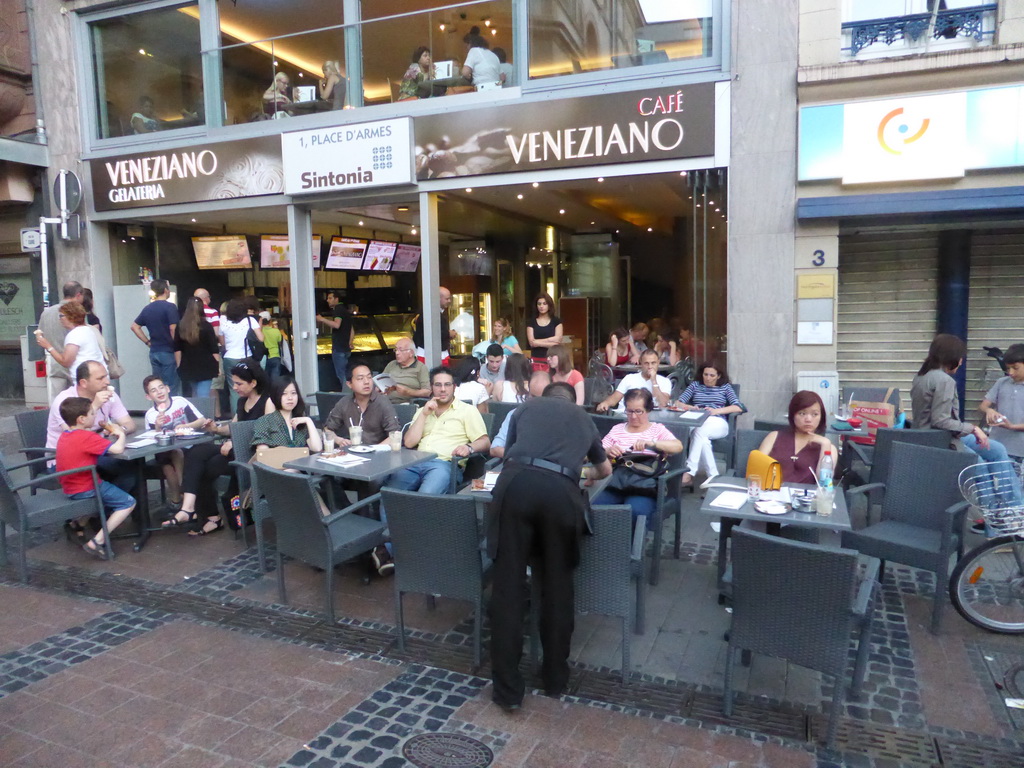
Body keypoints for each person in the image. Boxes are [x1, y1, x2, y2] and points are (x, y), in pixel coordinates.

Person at [488, 381, 611, 712]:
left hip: (515, 486)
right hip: (560, 493)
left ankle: (508, 691)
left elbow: (510, 453)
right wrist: (581, 471)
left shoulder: (526, 407)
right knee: (558, 586)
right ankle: (555, 677)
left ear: (546, 398)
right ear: (572, 401)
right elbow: (604, 469)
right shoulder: (583, 418)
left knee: (508, 588)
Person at [162, 360, 274, 536]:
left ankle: (209, 516)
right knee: (197, 452)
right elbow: (234, 427)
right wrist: (215, 429)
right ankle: (190, 507)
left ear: (253, 383)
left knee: (203, 468)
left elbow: (268, 433)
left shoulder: (267, 402)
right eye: (234, 382)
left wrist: (236, 442)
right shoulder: (242, 402)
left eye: (239, 383)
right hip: (235, 449)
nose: (235, 387)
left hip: (253, 452)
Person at [912, 333, 1013, 464]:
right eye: (960, 358)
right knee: (979, 466)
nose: (961, 362)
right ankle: (994, 485)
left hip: (928, 436)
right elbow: (941, 421)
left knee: (997, 450)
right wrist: (973, 429)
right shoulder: (944, 380)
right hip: (939, 440)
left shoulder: (921, 376)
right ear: (951, 358)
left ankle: (1008, 485)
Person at [387, 366, 490, 494]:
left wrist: (469, 447)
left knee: (426, 496)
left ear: (454, 387)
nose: (442, 389)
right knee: (389, 494)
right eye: (438, 385)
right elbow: (409, 443)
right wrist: (424, 415)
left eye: (447, 385)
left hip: (444, 464)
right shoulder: (422, 411)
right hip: (415, 462)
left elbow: (485, 441)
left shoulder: (467, 411)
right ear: (431, 388)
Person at [55, 397, 135, 560]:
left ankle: (78, 524)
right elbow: (118, 449)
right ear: (82, 419)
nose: (95, 416)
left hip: (70, 487)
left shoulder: (66, 435)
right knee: (128, 502)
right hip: (87, 487)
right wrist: (120, 433)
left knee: (109, 486)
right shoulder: (87, 437)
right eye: (93, 413)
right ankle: (98, 541)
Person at [46, 361, 137, 493]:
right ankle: (109, 510)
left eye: (106, 376)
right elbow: (75, 434)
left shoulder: (108, 395)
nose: (107, 382)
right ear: (83, 383)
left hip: (97, 452)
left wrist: (119, 430)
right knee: (125, 470)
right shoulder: (65, 402)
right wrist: (94, 406)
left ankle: (116, 509)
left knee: (131, 466)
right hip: (66, 462)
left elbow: (129, 423)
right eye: (100, 378)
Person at [593, 388, 683, 521]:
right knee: (593, 506)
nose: (633, 416)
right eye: (629, 411)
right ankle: (603, 541)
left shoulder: (657, 429)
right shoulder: (617, 429)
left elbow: (678, 446)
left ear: (648, 410)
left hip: (643, 485)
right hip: (616, 482)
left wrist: (652, 443)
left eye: (638, 411)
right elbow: (595, 452)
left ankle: (632, 542)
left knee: (636, 511)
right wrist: (607, 451)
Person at [143, 375, 206, 507]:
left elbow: (201, 421)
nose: (159, 392)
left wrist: (186, 426)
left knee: (175, 456)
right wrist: (158, 427)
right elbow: (152, 439)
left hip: (189, 444)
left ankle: (177, 500)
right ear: (148, 397)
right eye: (153, 390)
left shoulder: (180, 402)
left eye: (161, 388)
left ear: (168, 389)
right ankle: (180, 497)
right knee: (168, 463)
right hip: (166, 450)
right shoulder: (151, 415)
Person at [677, 362, 743, 486]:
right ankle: (713, 477)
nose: (708, 378)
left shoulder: (725, 387)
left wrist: (716, 411)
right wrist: (690, 407)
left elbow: (738, 407)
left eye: (712, 375)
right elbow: (678, 402)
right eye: (705, 374)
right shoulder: (695, 385)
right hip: (697, 419)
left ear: (718, 376)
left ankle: (689, 472)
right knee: (702, 438)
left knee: (699, 432)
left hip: (718, 422)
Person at [758, 391, 836, 485]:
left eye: (815, 414)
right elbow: (757, 469)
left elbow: (824, 483)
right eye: (802, 414)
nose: (808, 419)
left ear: (821, 417)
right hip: (771, 493)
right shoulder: (774, 437)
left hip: (806, 497)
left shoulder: (828, 447)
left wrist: (825, 444)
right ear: (793, 415)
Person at [324, 363, 402, 446]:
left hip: (378, 453)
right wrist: (338, 440)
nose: (366, 382)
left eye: (369, 377)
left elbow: (395, 434)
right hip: (353, 453)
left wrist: (375, 450)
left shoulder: (382, 402)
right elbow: (328, 429)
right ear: (349, 384)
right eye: (360, 378)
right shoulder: (344, 402)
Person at [131, 279, 181, 395]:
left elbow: (134, 327)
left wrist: (148, 342)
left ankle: (158, 410)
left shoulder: (148, 308)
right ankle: (170, 411)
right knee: (170, 386)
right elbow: (173, 328)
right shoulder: (170, 307)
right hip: (168, 351)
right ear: (165, 290)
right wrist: (176, 347)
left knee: (156, 386)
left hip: (154, 351)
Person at [37, 280, 84, 398]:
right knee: (79, 403)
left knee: (58, 402)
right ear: (78, 295)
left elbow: (40, 337)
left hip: (54, 363)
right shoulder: (77, 312)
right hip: (76, 362)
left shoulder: (46, 313)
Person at [490, 370, 552, 459]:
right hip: (519, 466)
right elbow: (494, 448)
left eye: (543, 398)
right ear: (528, 390)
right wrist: (521, 457)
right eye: (534, 397)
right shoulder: (515, 414)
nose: (539, 402)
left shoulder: (561, 418)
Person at [35, 301, 106, 377]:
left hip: (87, 378)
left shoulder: (75, 335)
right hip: (95, 375)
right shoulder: (87, 330)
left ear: (71, 317)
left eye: (61, 316)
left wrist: (48, 346)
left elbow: (66, 362)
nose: (59, 319)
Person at [251, 378, 322, 453]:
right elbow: (263, 454)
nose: (290, 398)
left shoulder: (301, 422)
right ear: (276, 395)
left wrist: (308, 421)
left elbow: (317, 448)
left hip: (302, 464)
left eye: (293, 393)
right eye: (284, 394)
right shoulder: (264, 421)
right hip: (276, 463)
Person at [980, 343, 1024, 462]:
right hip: (997, 447)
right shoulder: (1002, 382)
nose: (1011, 373)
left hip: (1020, 450)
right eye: (1008, 368)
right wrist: (989, 410)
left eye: (1015, 368)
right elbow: (984, 405)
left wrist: (1012, 426)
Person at [220, 298, 263, 411]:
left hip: (229, 358)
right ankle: (250, 412)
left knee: (234, 389)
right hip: (246, 357)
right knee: (251, 387)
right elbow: (261, 338)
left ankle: (236, 416)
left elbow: (222, 342)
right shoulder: (250, 321)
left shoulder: (224, 322)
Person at [596, 349, 671, 412]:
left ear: (658, 363)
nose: (650, 367)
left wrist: (654, 381)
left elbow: (663, 403)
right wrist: (606, 403)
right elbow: (614, 398)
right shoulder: (629, 378)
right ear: (641, 363)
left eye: (653, 363)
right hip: (625, 416)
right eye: (646, 363)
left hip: (650, 420)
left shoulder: (665, 381)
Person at [175, 296, 220, 398]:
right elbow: (214, 348)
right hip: (206, 365)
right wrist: (217, 365)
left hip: (188, 364)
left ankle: (196, 413)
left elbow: (177, 348)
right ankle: (203, 413)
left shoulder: (181, 326)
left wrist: (179, 365)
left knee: (195, 393)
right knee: (203, 395)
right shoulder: (207, 326)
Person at [315, 291, 353, 388]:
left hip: (339, 348)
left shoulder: (338, 310)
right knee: (347, 375)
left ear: (337, 299)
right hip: (346, 349)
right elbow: (352, 329)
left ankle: (348, 397)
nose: (327, 300)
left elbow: (336, 325)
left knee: (342, 376)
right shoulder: (345, 310)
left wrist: (322, 319)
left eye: (330, 298)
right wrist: (350, 342)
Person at [382, 337, 430, 403]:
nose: (397, 353)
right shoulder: (392, 364)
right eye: (396, 350)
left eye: (400, 350)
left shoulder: (421, 368)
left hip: (405, 404)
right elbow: (381, 381)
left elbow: (427, 391)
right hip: (384, 401)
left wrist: (408, 392)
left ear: (411, 353)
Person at [413, 286, 454, 364]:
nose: (449, 301)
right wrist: (448, 333)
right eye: (447, 299)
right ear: (437, 298)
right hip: (430, 354)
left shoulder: (430, 311)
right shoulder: (429, 313)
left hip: (436, 352)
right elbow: (432, 332)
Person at [526, 293, 563, 368]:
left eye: (544, 304)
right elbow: (532, 343)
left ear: (549, 305)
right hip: (536, 359)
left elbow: (557, 342)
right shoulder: (531, 322)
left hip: (553, 360)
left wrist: (538, 342)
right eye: (539, 304)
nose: (541, 306)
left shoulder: (556, 321)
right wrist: (551, 340)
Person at [260, 312, 284, 381]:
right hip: (275, 355)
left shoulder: (259, 331)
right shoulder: (276, 331)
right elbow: (280, 341)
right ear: (270, 320)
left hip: (263, 357)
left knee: (264, 380)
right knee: (275, 379)